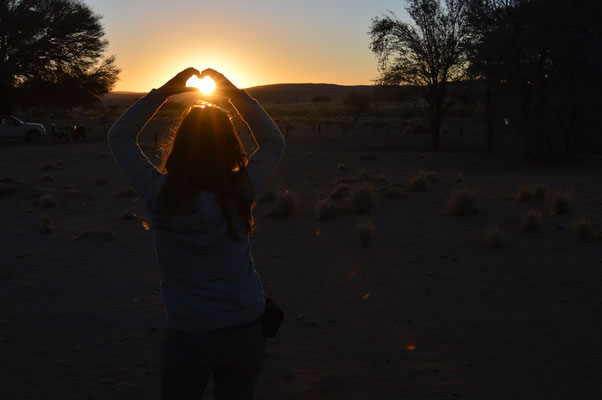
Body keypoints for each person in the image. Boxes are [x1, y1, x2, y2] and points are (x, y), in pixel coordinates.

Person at [107, 67, 285, 399]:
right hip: (246, 327)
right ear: (230, 145)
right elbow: (273, 141)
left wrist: (163, 93)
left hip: (189, 334)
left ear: (180, 144)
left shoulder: (159, 193)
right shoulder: (241, 190)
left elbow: (119, 136)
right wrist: (234, 93)